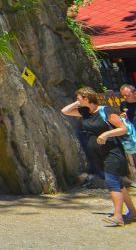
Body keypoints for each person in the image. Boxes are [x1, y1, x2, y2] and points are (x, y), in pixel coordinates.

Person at [62, 87, 135, 226]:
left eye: (79, 98)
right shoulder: (85, 112)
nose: (77, 100)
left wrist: (106, 134)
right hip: (100, 154)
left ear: (87, 98)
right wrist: (78, 103)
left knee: (112, 181)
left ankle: (118, 216)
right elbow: (65, 111)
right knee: (118, 183)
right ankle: (133, 212)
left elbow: (123, 128)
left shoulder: (105, 111)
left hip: (113, 152)